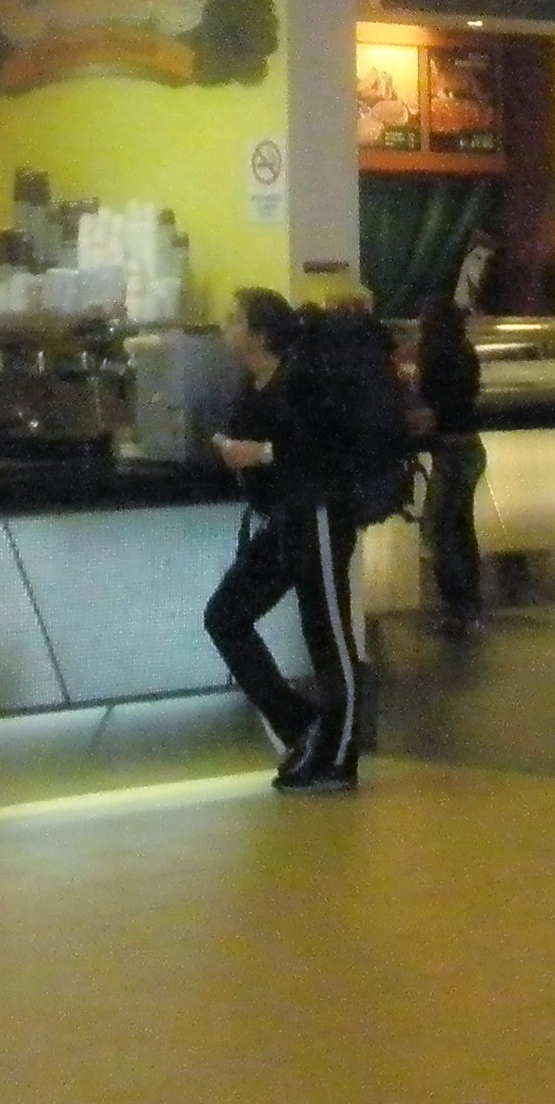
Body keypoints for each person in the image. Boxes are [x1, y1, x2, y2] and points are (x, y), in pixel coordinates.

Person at [203, 292, 366, 794]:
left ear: (260, 333)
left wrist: (264, 453)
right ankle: (300, 724)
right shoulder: (251, 386)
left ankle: (338, 755)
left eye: (235, 319)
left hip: (317, 513)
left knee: (327, 634)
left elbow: (331, 446)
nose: (225, 327)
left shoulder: (303, 381)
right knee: (225, 615)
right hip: (280, 519)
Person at [409, 293, 484, 633]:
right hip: (469, 447)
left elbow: (430, 408)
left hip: (450, 452)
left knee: (437, 529)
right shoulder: (464, 352)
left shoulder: (433, 355)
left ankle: (459, 608)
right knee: (461, 528)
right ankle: (470, 606)